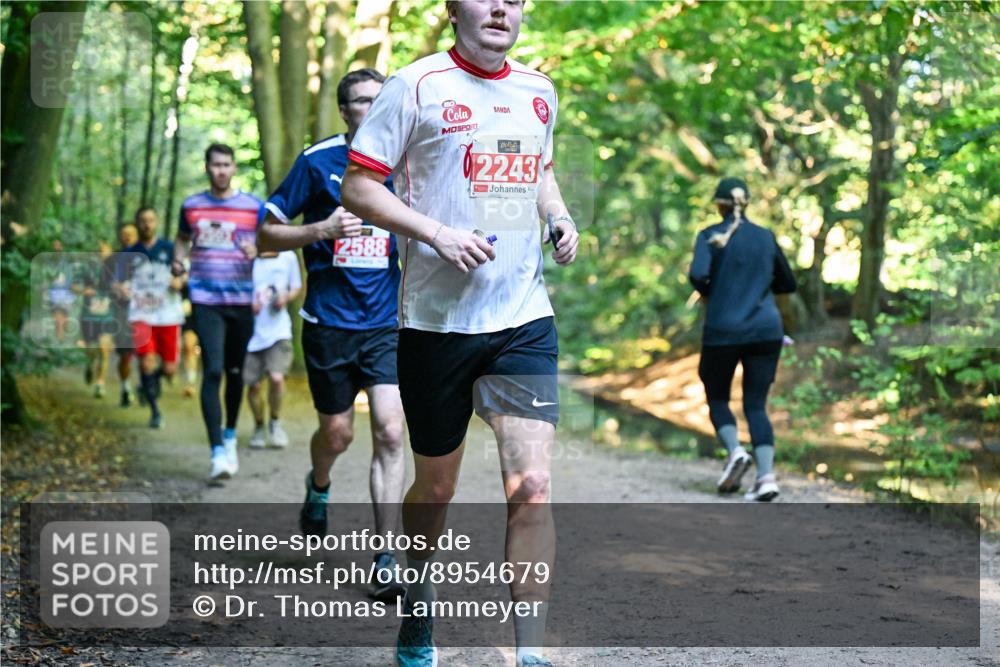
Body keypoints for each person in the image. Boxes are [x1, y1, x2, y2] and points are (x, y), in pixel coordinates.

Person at [341, 2, 580, 664]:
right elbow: (360, 187)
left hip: (522, 320)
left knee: (531, 487)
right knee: (436, 488)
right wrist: (436, 233)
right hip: (435, 325)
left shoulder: (539, 90)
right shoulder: (414, 86)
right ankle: (418, 605)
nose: (502, 6)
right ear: (452, 8)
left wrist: (559, 218)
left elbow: (543, 172)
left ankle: (529, 651)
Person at [258, 68, 409, 602]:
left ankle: (386, 556)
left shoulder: (408, 159)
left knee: (391, 431)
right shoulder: (317, 160)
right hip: (328, 323)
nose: (371, 109)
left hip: (387, 323)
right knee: (339, 434)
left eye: (379, 100)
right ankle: (319, 484)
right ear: (344, 111)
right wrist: (319, 230)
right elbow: (264, 235)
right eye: (360, 102)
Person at [688, 177, 797, 501]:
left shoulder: (709, 236)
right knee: (756, 405)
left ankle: (735, 452)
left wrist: (715, 291)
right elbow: (788, 282)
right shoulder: (765, 237)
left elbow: (697, 276)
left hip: (723, 330)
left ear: (720, 205)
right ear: (745, 203)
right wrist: (758, 288)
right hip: (766, 330)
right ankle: (766, 479)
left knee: (718, 398)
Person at [173, 143, 261, 481]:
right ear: (207, 168)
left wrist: (260, 250)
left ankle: (230, 434)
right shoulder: (192, 206)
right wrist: (179, 259)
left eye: (226, 164)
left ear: (234, 168)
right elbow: (181, 239)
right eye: (215, 165)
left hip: (241, 301)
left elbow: (271, 245)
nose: (221, 170)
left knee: (236, 372)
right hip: (205, 299)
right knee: (213, 370)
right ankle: (216, 452)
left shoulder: (253, 207)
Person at [118, 207, 186, 429]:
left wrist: (180, 281)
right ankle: (155, 412)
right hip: (141, 315)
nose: (147, 224)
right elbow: (117, 282)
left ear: (156, 222)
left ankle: (147, 385)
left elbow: (184, 273)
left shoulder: (169, 248)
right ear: (138, 224)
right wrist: (121, 290)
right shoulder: (129, 253)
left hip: (168, 314)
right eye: (143, 221)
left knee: (169, 370)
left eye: (151, 220)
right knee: (146, 364)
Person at [243, 248, 301, 449]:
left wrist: (286, 297)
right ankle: (259, 426)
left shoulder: (288, 256)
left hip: (279, 331)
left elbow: (296, 287)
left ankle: (275, 422)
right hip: (251, 332)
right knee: (254, 386)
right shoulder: (249, 257)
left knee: (277, 378)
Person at [78, 241, 116, 398]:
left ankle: (100, 383)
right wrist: (83, 290)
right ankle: (89, 364)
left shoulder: (116, 269)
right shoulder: (86, 268)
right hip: (88, 316)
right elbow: (73, 285)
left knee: (104, 349)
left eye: (104, 249)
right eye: (98, 249)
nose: (101, 252)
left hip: (107, 316)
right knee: (91, 350)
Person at [110, 223, 140, 407]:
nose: (127, 237)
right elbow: (110, 283)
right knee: (125, 354)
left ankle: (148, 385)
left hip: (148, 310)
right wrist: (119, 288)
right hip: (123, 310)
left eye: (131, 234)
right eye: (124, 234)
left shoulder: (150, 255)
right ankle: (126, 388)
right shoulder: (116, 259)